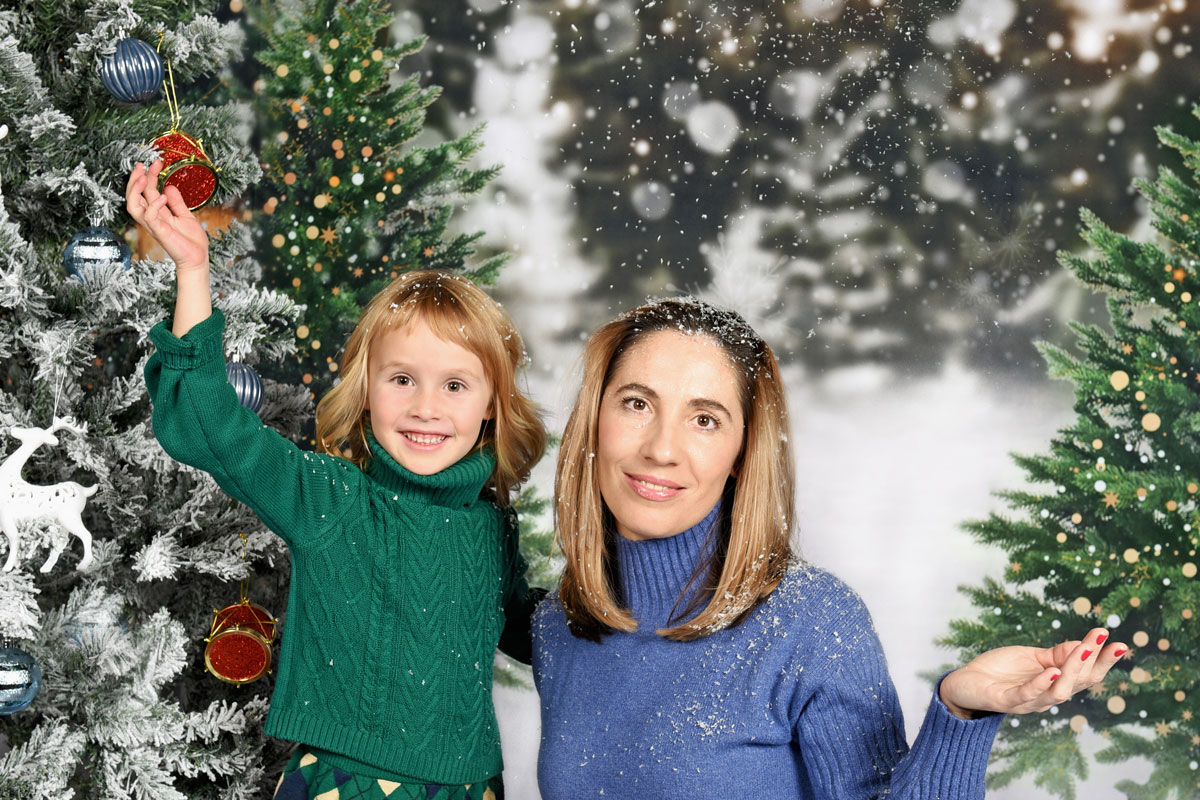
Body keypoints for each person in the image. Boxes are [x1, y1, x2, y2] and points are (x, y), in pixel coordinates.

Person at [533, 298, 1128, 798]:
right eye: (637, 403)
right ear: (595, 418)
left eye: (705, 419)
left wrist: (960, 713)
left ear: (743, 454)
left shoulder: (809, 620)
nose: (661, 448)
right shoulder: (557, 625)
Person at [127, 161, 547, 799]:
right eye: (401, 378)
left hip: (471, 788)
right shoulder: (330, 498)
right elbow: (206, 423)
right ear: (368, 388)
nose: (425, 407)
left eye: (455, 385)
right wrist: (192, 271)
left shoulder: (493, 526)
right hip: (343, 783)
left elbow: (535, 634)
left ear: (491, 403)